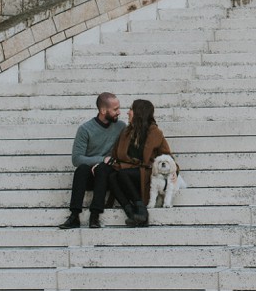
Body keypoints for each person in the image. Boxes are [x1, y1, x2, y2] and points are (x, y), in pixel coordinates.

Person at [58, 92, 125, 229]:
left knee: (102, 169)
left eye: (119, 108)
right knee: (82, 169)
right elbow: (76, 159)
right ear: (103, 110)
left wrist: (103, 163)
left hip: (107, 176)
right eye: (115, 109)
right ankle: (74, 215)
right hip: (90, 176)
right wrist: (101, 160)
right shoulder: (85, 129)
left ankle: (94, 215)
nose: (119, 112)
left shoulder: (121, 127)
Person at [108, 99, 172, 227]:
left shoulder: (155, 133)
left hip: (145, 173)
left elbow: (167, 156)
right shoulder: (126, 132)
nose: (128, 112)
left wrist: (175, 171)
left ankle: (142, 210)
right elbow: (115, 154)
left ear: (138, 113)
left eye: (131, 109)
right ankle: (132, 213)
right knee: (112, 176)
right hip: (127, 172)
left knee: (121, 174)